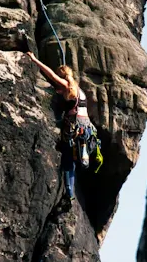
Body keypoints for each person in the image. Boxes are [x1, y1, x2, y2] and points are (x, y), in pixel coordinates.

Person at [26, 51, 96, 200]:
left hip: (73, 123)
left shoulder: (66, 85)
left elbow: (51, 75)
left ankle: (69, 193)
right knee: (77, 153)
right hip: (86, 124)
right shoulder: (79, 89)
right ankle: (83, 152)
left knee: (68, 158)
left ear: (62, 76)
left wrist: (34, 59)